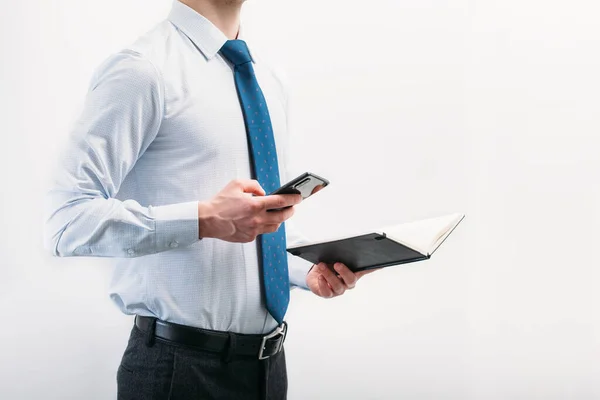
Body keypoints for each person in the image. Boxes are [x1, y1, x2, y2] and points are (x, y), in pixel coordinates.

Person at [44, 0, 377, 398]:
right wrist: (203, 219)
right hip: (177, 373)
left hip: (268, 369)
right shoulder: (143, 70)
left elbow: (252, 221)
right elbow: (65, 222)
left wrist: (303, 270)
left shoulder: (268, 79)